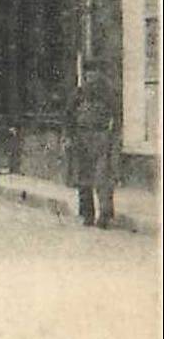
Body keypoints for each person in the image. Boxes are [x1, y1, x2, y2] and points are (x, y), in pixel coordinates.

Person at [63, 57, 119, 229]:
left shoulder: (108, 93)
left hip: (102, 137)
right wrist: (68, 136)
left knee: (103, 177)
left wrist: (114, 136)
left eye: (95, 72)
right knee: (83, 178)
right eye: (89, 73)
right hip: (81, 137)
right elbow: (69, 116)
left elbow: (117, 116)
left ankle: (104, 214)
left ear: (100, 74)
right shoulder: (79, 94)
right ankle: (87, 214)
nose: (92, 76)